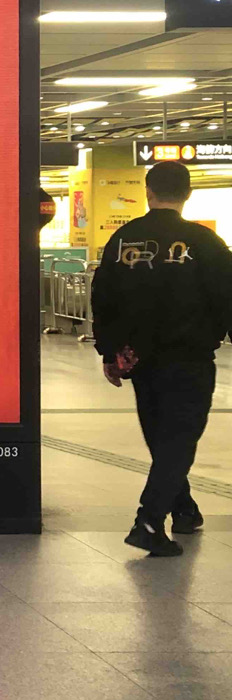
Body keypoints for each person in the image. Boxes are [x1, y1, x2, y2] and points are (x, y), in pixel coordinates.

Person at [91, 160, 232, 556]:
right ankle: (149, 521)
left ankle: (184, 510)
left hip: (140, 361)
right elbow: (227, 298)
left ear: (148, 192)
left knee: (163, 439)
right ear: (188, 194)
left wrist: (109, 351)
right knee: (179, 440)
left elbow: (103, 297)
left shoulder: (124, 238)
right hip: (189, 359)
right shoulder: (205, 242)